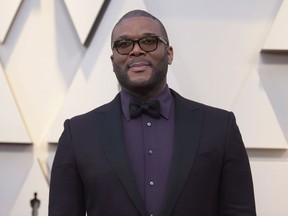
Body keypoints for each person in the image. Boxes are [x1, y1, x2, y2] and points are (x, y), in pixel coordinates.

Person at [49, 9, 256, 216]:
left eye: (148, 41)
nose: (136, 51)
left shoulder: (220, 127)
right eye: (124, 44)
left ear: (169, 54)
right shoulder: (77, 134)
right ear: (113, 62)